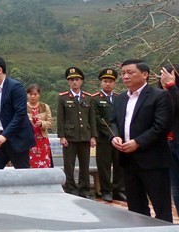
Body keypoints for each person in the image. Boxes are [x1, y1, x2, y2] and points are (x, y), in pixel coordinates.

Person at [110, 59, 173, 222]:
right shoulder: (120, 98)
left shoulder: (160, 96)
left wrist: (138, 142)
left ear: (144, 74)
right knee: (136, 209)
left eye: (130, 72)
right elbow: (113, 121)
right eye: (123, 73)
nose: (125, 77)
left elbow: (161, 126)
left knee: (161, 208)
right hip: (128, 160)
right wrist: (114, 136)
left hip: (153, 160)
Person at [57, 66, 97, 198]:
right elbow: (60, 119)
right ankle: (71, 189)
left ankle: (84, 190)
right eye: (72, 79)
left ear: (81, 81)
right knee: (69, 165)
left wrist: (93, 136)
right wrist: (61, 136)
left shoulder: (88, 98)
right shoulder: (63, 98)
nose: (75, 82)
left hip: (85, 136)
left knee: (84, 165)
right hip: (69, 137)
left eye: (77, 79)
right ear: (68, 82)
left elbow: (92, 119)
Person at [91, 68, 126, 203]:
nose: (108, 84)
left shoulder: (119, 98)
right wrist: (111, 133)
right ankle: (106, 191)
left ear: (114, 83)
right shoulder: (95, 99)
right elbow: (97, 118)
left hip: (118, 138)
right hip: (104, 138)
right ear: (101, 83)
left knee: (119, 165)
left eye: (110, 81)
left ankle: (119, 190)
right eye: (105, 81)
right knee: (104, 166)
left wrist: (117, 135)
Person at [158, 64, 179, 217]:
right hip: (168, 146)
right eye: (162, 76)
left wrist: (172, 86)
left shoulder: (174, 91)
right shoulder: (159, 96)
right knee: (176, 188)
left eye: (169, 75)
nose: (164, 79)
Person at [26, 84, 53, 168]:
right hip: (28, 139)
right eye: (30, 94)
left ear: (39, 95)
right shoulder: (22, 106)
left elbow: (50, 122)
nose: (33, 96)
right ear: (27, 95)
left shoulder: (45, 107)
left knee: (44, 163)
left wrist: (41, 123)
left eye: (35, 94)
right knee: (29, 163)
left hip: (42, 139)